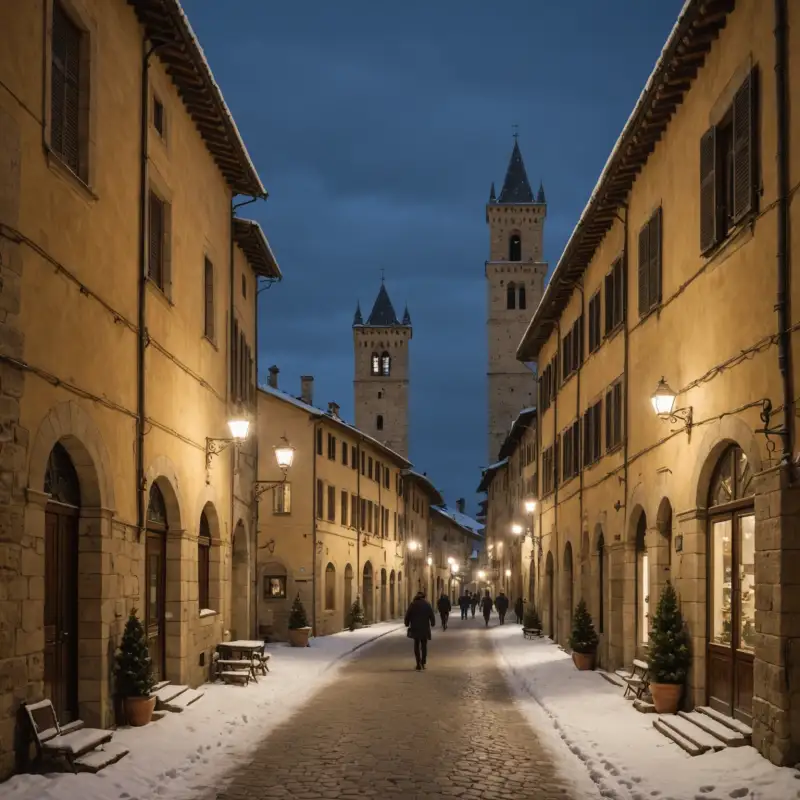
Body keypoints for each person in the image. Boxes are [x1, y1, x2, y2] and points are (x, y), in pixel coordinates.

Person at [404, 590, 435, 671]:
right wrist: (432, 623)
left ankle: (418, 663)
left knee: (416, 645)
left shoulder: (413, 604)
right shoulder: (427, 604)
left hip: (415, 628)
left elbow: (407, 615)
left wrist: (407, 623)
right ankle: (423, 662)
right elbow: (431, 615)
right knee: (424, 645)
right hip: (425, 628)